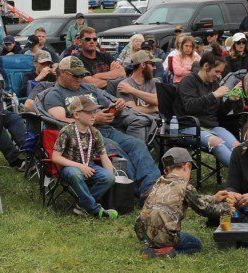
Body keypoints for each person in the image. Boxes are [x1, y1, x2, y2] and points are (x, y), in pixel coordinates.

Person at [30, 56, 159, 196]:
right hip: (84, 138)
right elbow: (60, 122)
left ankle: (151, 188)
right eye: (76, 75)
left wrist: (118, 106)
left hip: (106, 129)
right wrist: (94, 120)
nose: (80, 79)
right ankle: (134, 191)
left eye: (82, 75)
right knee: (115, 149)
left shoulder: (89, 88)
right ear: (62, 72)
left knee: (137, 144)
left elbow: (110, 103)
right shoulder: (54, 95)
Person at [135, 148, 224, 256]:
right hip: (165, 236)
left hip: (144, 234)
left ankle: (153, 248)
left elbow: (196, 198)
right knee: (196, 244)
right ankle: (165, 252)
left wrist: (214, 198)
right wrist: (227, 208)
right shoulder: (184, 186)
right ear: (186, 166)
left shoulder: (159, 183)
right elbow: (205, 210)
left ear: (166, 170)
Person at [52, 95, 118, 218]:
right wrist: (80, 166)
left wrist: (111, 178)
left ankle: (82, 206)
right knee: (75, 173)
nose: (94, 115)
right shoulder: (67, 131)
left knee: (109, 177)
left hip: (89, 165)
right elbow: (55, 157)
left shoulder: (95, 132)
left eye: (94, 111)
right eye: (89, 112)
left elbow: (103, 156)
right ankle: (94, 209)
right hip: (69, 167)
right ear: (76, 115)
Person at [175, 53, 238, 166]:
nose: (219, 76)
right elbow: (190, 107)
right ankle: (242, 174)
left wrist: (231, 100)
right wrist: (213, 95)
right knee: (216, 142)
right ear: (205, 66)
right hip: (190, 126)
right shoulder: (188, 81)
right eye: (216, 71)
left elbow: (220, 113)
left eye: (221, 72)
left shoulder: (214, 84)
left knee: (237, 146)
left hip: (212, 126)